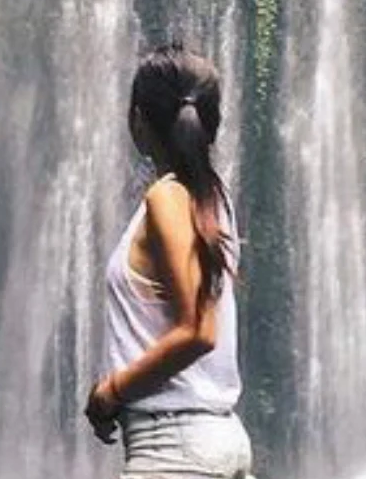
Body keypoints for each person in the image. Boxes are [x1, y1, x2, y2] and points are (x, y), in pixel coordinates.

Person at [85, 46, 253, 478]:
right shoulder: (213, 198)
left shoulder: (167, 198)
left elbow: (198, 331)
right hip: (218, 438)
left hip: (173, 448)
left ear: (138, 120)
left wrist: (111, 391)